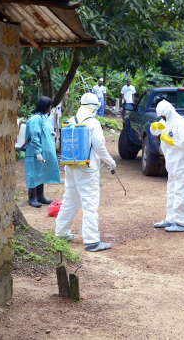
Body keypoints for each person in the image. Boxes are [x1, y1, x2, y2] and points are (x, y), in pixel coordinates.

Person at [55, 93, 116, 252]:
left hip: (71, 166)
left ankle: (61, 233)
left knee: (69, 200)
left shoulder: (70, 121)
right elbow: (99, 146)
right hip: (87, 169)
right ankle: (91, 241)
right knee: (90, 203)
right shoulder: (93, 122)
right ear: (93, 106)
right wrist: (110, 162)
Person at [150, 100, 184, 232]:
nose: (162, 119)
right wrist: (153, 128)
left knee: (182, 191)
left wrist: (171, 141)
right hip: (172, 164)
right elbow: (156, 131)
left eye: (163, 116)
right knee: (172, 191)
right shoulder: (166, 121)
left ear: (169, 112)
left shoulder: (181, 124)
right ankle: (170, 218)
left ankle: (181, 222)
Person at [24, 96, 60, 207]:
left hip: (42, 151)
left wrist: (51, 133)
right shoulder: (35, 119)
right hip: (34, 152)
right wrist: (38, 152)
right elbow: (35, 136)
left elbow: (44, 131)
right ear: (44, 106)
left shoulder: (44, 117)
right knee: (33, 173)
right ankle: (32, 198)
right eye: (49, 106)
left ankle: (40, 196)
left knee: (40, 172)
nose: (51, 108)